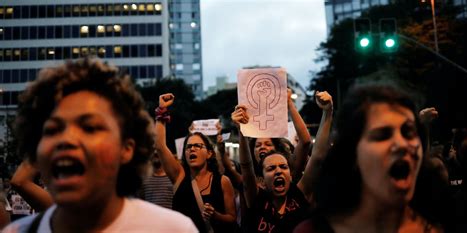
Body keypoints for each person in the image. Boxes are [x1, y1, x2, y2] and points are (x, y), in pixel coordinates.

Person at [2, 58, 197, 233]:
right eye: (52, 130)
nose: (66, 140)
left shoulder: (173, 229)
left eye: (89, 128)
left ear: (126, 148)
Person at [294, 83, 443, 233]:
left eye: (408, 132)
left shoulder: (435, 225)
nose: (402, 144)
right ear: (353, 152)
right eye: (383, 135)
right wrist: (328, 113)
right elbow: (318, 156)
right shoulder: (313, 230)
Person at [232, 91, 333, 233]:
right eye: (271, 168)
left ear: (290, 176)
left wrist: (328, 112)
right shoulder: (256, 199)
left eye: (283, 167)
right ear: (261, 179)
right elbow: (246, 166)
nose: (278, 171)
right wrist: (241, 129)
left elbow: (317, 156)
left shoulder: (299, 195)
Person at [155, 93, 237, 233]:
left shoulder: (223, 181)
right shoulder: (179, 176)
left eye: (198, 146)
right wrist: (161, 111)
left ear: (209, 153)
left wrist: (215, 215)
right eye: (188, 147)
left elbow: (232, 218)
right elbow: (160, 146)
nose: (192, 149)